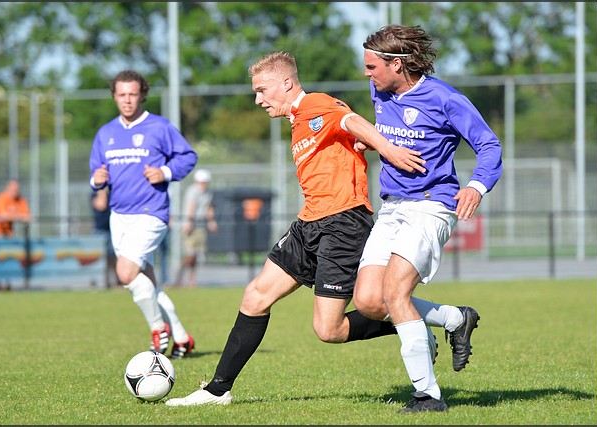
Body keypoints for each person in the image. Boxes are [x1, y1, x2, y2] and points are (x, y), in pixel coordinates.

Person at [165, 50, 436, 407]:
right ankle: (218, 390)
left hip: (343, 223)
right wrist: (366, 146)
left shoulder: (316, 104)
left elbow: (351, 121)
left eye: (262, 90)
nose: (258, 100)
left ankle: (415, 326)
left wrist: (389, 149)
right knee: (255, 296)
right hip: (308, 223)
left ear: (287, 83)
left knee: (330, 330)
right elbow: (348, 138)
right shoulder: (297, 121)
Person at [352, 25, 503, 413]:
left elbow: (489, 145)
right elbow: (388, 133)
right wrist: (367, 141)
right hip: (391, 207)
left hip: (431, 205)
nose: (366, 74)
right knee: (369, 301)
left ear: (397, 64)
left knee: (396, 294)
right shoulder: (380, 90)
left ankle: (428, 396)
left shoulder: (445, 98)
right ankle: (455, 319)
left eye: (372, 66)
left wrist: (476, 186)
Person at [89, 70, 198, 359]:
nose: (127, 100)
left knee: (125, 272)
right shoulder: (106, 133)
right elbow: (96, 172)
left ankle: (157, 329)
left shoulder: (159, 127)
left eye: (133, 94)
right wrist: (97, 179)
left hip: (151, 212)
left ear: (142, 95)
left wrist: (164, 172)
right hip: (119, 215)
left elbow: (188, 157)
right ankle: (182, 337)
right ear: (114, 96)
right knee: (147, 282)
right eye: (122, 94)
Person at [172, 168, 218, 288]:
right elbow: (191, 207)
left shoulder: (208, 192)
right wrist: (189, 223)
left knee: (196, 255)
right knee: (190, 255)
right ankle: (178, 278)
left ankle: (192, 281)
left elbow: (209, 208)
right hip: (190, 225)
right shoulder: (192, 191)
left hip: (200, 226)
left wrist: (211, 222)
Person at [91, 188, 120, 288]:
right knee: (101, 260)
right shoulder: (95, 194)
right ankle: (103, 282)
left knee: (114, 257)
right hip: (101, 231)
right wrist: (102, 192)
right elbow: (101, 206)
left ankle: (117, 281)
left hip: (113, 230)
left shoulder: (113, 194)